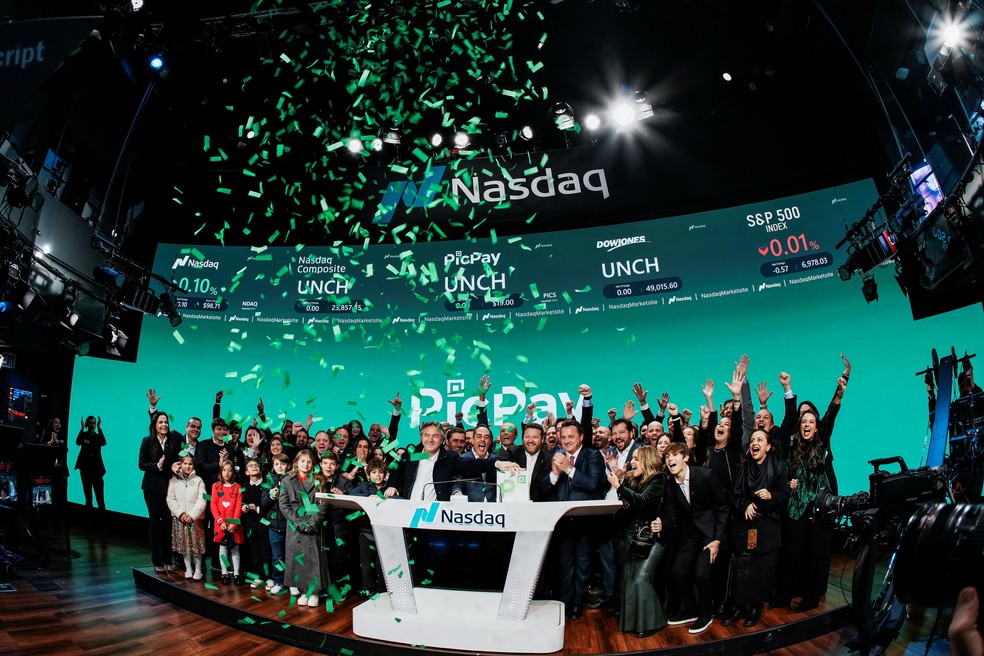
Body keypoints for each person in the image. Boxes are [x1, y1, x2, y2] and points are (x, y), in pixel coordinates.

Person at [773, 397, 843, 612]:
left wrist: (839, 394)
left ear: (816, 427)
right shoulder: (792, 446)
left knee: (815, 554)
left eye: (811, 422)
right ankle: (784, 595)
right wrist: (788, 481)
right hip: (796, 506)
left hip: (817, 505)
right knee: (792, 552)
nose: (807, 425)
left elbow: (830, 419)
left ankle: (811, 598)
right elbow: (784, 470)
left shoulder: (822, 442)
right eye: (804, 422)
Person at [539, 417, 607, 620]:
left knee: (583, 565)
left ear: (581, 437)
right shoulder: (556, 456)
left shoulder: (592, 456)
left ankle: (577, 603)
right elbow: (544, 488)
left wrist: (569, 469)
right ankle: (565, 603)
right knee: (564, 564)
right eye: (564, 437)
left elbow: (593, 484)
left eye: (571, 436)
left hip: (585, 523)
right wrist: (554, 473)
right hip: (562, 522)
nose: (567, 441)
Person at [723, 429, 789, 628]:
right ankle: (740, 607)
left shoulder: (778, 466)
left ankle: (755, 608)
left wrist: (771, 496)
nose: (754, 443)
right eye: (752, 440)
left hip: (767, 526)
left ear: (768, 447)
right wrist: (745, 505)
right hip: (745, 526)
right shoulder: (742, 467)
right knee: (743, 569)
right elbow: (733, 495)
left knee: (762, 569)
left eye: (759, 440)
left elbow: (784, 495)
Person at [663, 442, 730, 635]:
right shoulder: (670, 483)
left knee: (701, 573)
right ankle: (691, 610)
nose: (670, 460)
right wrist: (661, 524)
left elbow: (723, 508)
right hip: (689, 535)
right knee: (677, 572)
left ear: (685, 457)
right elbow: (671, 514)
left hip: (709, 533)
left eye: (674, 455)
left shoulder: (705, 475)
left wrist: (717, 539)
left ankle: (705, 614)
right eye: (667, 457)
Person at [607, 445, 671, 638]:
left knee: (640, 579)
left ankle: (653, 622)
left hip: (651, 538)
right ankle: (632, 623)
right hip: (633, 535)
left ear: (647, 460)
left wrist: (618, 486)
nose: (632, 462)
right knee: (629, 579)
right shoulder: (635, 479)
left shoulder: (658, 479)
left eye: (636, 458)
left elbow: (642, 501)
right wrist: (622, 484)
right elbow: (629, 504)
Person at [384, 422, 518, 501]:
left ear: (442, 439)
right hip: (409, 509)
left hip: (435, 514)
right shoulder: (411, 455)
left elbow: (471, 465)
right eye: (427, 435)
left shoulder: (449, 458)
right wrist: (392, 485)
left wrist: (496, 463)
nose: (430, 440)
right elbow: (396, 469)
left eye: (435, 436)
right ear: (421, 437)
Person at [279, 449, 329, 607]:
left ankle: (314, 592)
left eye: (308, 461)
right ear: (296, 463)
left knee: (314, 560)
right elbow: (284, 505)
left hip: (313, 526)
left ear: (313, 464)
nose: (305, 464)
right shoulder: (287, 480)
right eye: (302, 461)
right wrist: (298, 523)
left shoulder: (318, 479)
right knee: (297, 560)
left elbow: (323, 504)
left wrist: (313, 523)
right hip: (295, 527)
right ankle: (302, 591)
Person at [139, 411, 182, 572]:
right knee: (155, 523)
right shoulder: (147, 441)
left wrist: (172, 466)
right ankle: (157, 560)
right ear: (155, 425)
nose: (164, 425)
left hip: (169, 488)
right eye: (160, 422)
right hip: (151, 487)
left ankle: (168, 559)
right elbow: (141, 464)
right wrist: (156, 466)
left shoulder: (173, 440)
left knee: (168, 524)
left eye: (166, 422)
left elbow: (175, 460)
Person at [166, 455, 207, 580]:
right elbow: (171, 498)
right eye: (185, 463)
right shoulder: (174, 480)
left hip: (195, 519)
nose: (187, 466)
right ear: (180, 464)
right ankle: (188, 569)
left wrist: (193, 515)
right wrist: (181, 514)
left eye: (190, 464)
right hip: (180, 519)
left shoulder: (199, 480)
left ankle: (198, 570)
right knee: (184, 545)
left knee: (196, 545)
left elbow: (202, 499)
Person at [260, 452, 290, 594]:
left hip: (289, 525)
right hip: (273, 526)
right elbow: (263, 505)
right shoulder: (268, 482)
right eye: (277, 464)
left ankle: (292, 582)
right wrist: (272, 497)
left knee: (290, 555)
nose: (280, 466)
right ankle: (278, 581)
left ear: (288, 465)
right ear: (273, 466)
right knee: (277, 556)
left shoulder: (292, 480)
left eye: (283, 464)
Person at [210, 460, 244, 585]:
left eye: (229, 470)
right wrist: (220, 521)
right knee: (223, 547)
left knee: (235, 548)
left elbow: (238, 507)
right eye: (224, 470)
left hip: (233, 525)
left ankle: (236, 573)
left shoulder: (238, 488)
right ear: (221, 471)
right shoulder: (216, 486)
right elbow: (213, 504)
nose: (227, 473)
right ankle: (224, 572)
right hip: (221, 523)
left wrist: (234, 524)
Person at [242, 458, 272, 588]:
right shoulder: (244, 487)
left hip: (264, 523)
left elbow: (270, 504)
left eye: (256, 465)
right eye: (251, 466)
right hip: (250, 523)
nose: (254, 467)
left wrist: (258, 508)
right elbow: (242, 502)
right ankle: (259, 576)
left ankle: (270, 577)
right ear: (246, 472)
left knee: (266, 550)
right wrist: (244, 508)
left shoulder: (266, 485)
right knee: (254, 550)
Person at [75, 415, 107, 528]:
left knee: (100, 498)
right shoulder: (84, 435)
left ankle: (103, 524)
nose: (92, 425)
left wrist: (100, 428)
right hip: (86, 471)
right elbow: (77, 442)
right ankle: (89, 522)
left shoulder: (98, 437)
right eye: (91, 423)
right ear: (87, 424)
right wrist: (81, 428)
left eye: (94, 423)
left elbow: (104, 442)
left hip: (97, 472)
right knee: (88, 498)